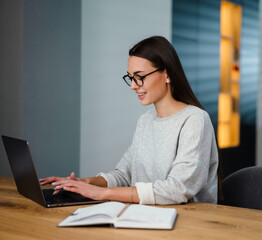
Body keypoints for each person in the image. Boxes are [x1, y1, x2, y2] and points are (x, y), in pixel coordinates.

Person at [40, 36, 219, 205]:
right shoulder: (145, 121)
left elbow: (177, 189)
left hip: (189, 224)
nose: (133, 86)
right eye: (131, 78)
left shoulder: (195, 119)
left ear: (167, 74)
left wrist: (103, 194)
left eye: (140, 77)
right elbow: (124, 175)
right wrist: (84, 183)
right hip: (146, 216)